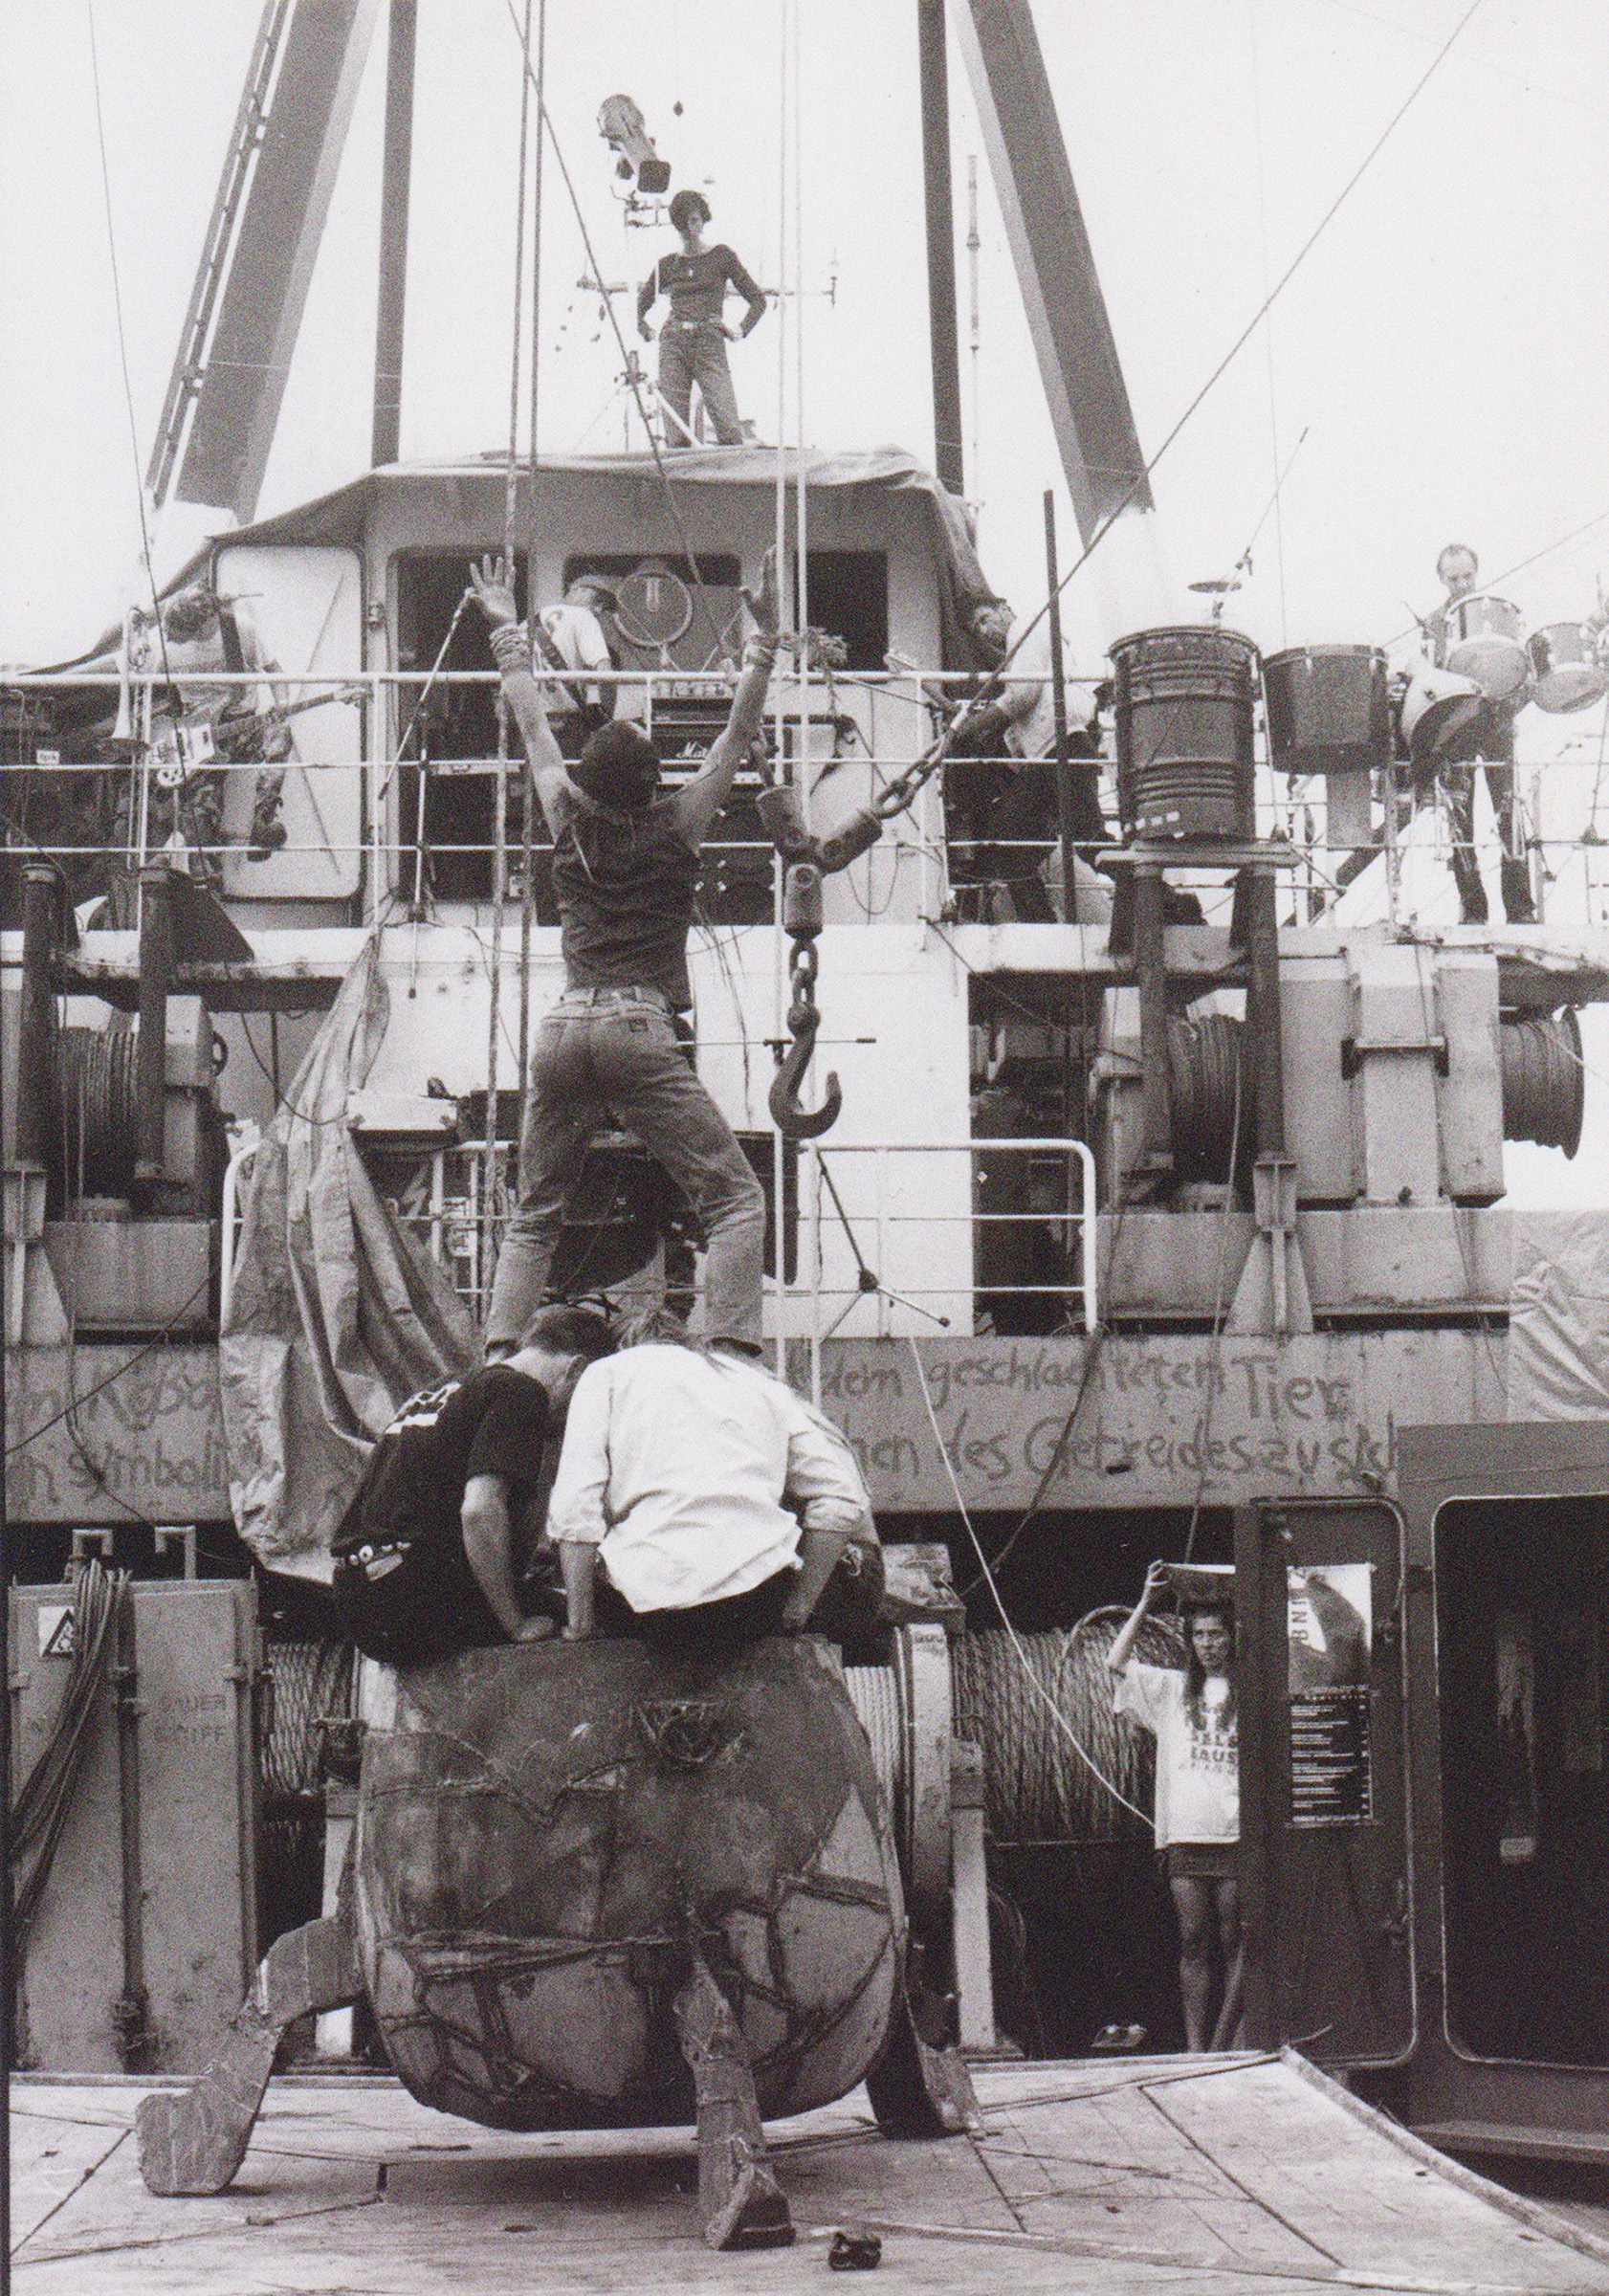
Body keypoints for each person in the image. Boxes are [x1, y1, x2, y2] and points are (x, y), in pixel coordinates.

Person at [468, 548, 776, 1359]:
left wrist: (507, 631)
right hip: (641, 1029)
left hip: (563, 1029)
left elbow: (534, 722)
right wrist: (763, 640)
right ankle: (734, 1358)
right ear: (653, 780)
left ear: (590, 779)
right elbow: (737, 736)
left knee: (537, 1210)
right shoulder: (680, 824)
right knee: (735, 1201)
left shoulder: (566, 816)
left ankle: (501, 1358)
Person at [547, 1307, 884, 1659]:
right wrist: (797, 1608)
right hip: (754, 1604)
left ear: (621, 1347)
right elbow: (841, 1497)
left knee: (554, 1588)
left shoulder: (606, 1373)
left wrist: (580, 1623)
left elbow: (574, 1509)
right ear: (691, 1344)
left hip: (648, 1607)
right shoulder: (761, 1384)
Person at [330, 1303, 613, 1667]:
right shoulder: (522, 1392)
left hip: (359, 1596)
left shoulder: (448, 1386)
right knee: (593, 1620)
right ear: (576, 1369)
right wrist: (516, 1625)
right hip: (410, 1598)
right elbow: (479, 1512)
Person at [1107, 1558, 1242, 2051]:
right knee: (1192, 1943)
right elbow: (1115, 1662)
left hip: (1235, 1837)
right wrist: (1146, 1601)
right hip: (1186, 1837)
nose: (1208, 1644)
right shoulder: (1171, 1690)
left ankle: (1228, 2045)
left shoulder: (1252, 1693)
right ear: (1191, 1640)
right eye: (1201, 1636)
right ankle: (1194, 2048)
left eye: (1217, 1635)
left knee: (1235, 1946)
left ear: (1232, 1638)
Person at [947, 599, 1106, 920]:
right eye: (977, 627)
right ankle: (1041, 922)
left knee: (1089, 839)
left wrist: (970, 727)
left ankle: (1161, 901)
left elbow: (1024, 694)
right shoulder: (1016, 654)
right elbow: (1019, 719)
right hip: (1046, 756)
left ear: (1004, 610)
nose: (983, 631)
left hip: (1065, 745)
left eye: (984, 619)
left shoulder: (1027, 628)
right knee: (1012, 839)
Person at [131, 585, 294, 882]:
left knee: (279, 732)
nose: (168, 638)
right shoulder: (164, 643)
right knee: (197, 813)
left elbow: (274, 669)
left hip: (241, 724)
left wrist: (282, 703)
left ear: (205, 623)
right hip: (195, 739)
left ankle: (263, 819)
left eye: (177, 633)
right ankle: (206, 876)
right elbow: (139, 684)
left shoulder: (239, 630)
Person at [1426, 543, 1534, 925]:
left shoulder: (1496, 611)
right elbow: (1428, 681)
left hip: (1497, 723)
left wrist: (1512, 701)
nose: (1462, 583)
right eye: (1453, 577)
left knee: (1510, 814)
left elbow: (1522, 668)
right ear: (1442, 579)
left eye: (1467, 575)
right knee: (1459, 820)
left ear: (1477, 572)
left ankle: (1520, 909)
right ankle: (1474, 910)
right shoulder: (1435, 624)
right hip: (1457, 729)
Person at [637, 189, 767, 449]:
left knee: (729, 430)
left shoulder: (721, 256)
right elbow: (642, 305)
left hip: (709, 342)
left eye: (694, 220)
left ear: (703, 220)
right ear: (677, 225)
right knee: (676, 436)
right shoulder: (667, 265)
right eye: (684, 222)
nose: (690, 228)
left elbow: (758, 300)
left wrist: (738, 330)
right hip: (673, 344)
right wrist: (648, 330)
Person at [530, 574, 620, 760]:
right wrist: (606, 718)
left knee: (532, 783)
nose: (599, 609)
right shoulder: (584, 617)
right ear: (577, 590)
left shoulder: (532, 620)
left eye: (603, 607)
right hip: (565, 727)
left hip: (530, 723)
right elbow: (605, 673)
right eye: (597, 600)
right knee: (571, 783)